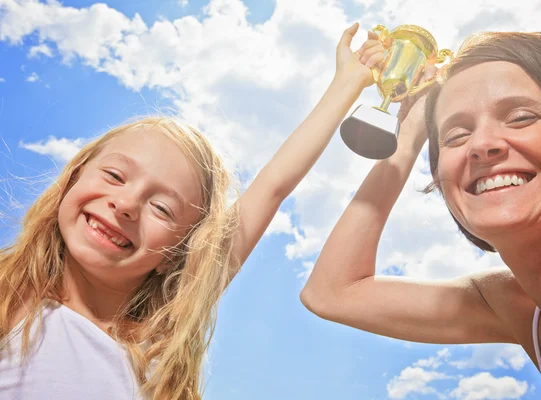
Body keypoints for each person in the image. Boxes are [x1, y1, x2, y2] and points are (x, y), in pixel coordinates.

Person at [0, 23, 372, 400]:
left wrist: (348, 84)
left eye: (161, 208)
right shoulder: (8, 301)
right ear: (73, 178)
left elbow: (273, 186)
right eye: (114, 175)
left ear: (177, 255)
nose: (126, 205)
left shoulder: (155, 350)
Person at [301, 30, 541, 399]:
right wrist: (411, 131)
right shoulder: (519, 308)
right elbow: (331, 292)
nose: (482, 145)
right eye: (455, 137)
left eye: (521, 117)